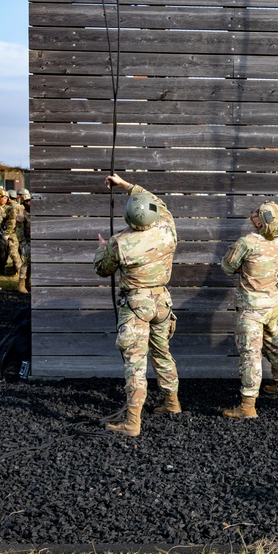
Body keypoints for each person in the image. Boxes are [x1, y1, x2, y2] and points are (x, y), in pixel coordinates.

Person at [94, 174, 181, 436]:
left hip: (135, 305)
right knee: (162, 352)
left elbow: (102, 269)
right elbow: (157, 202)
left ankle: (132, 421)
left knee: (135, 361)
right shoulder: (167, 227)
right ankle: (172, 402)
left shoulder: (120, 242)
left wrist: (102, 248)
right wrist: (127, 185)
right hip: (162, 302)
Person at [220, 201, 278, 419]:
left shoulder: (247, 242)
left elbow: (227, 266)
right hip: (271, 304)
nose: (252, 215)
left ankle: (248, 405)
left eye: (256, 214)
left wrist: (242, 266)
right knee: (275, 343)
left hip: (251, 307)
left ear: (260, 222)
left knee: (250, 354)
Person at [15, 190, 31, 294]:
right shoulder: (21, 215)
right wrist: (23, 244)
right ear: (24, 202)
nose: (31, 203)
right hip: (26, 242)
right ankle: (21, 283)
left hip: (35, 242)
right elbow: (19, 232)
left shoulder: (36, 213)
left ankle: (28, 282)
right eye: (28, 201)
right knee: (26, 262)